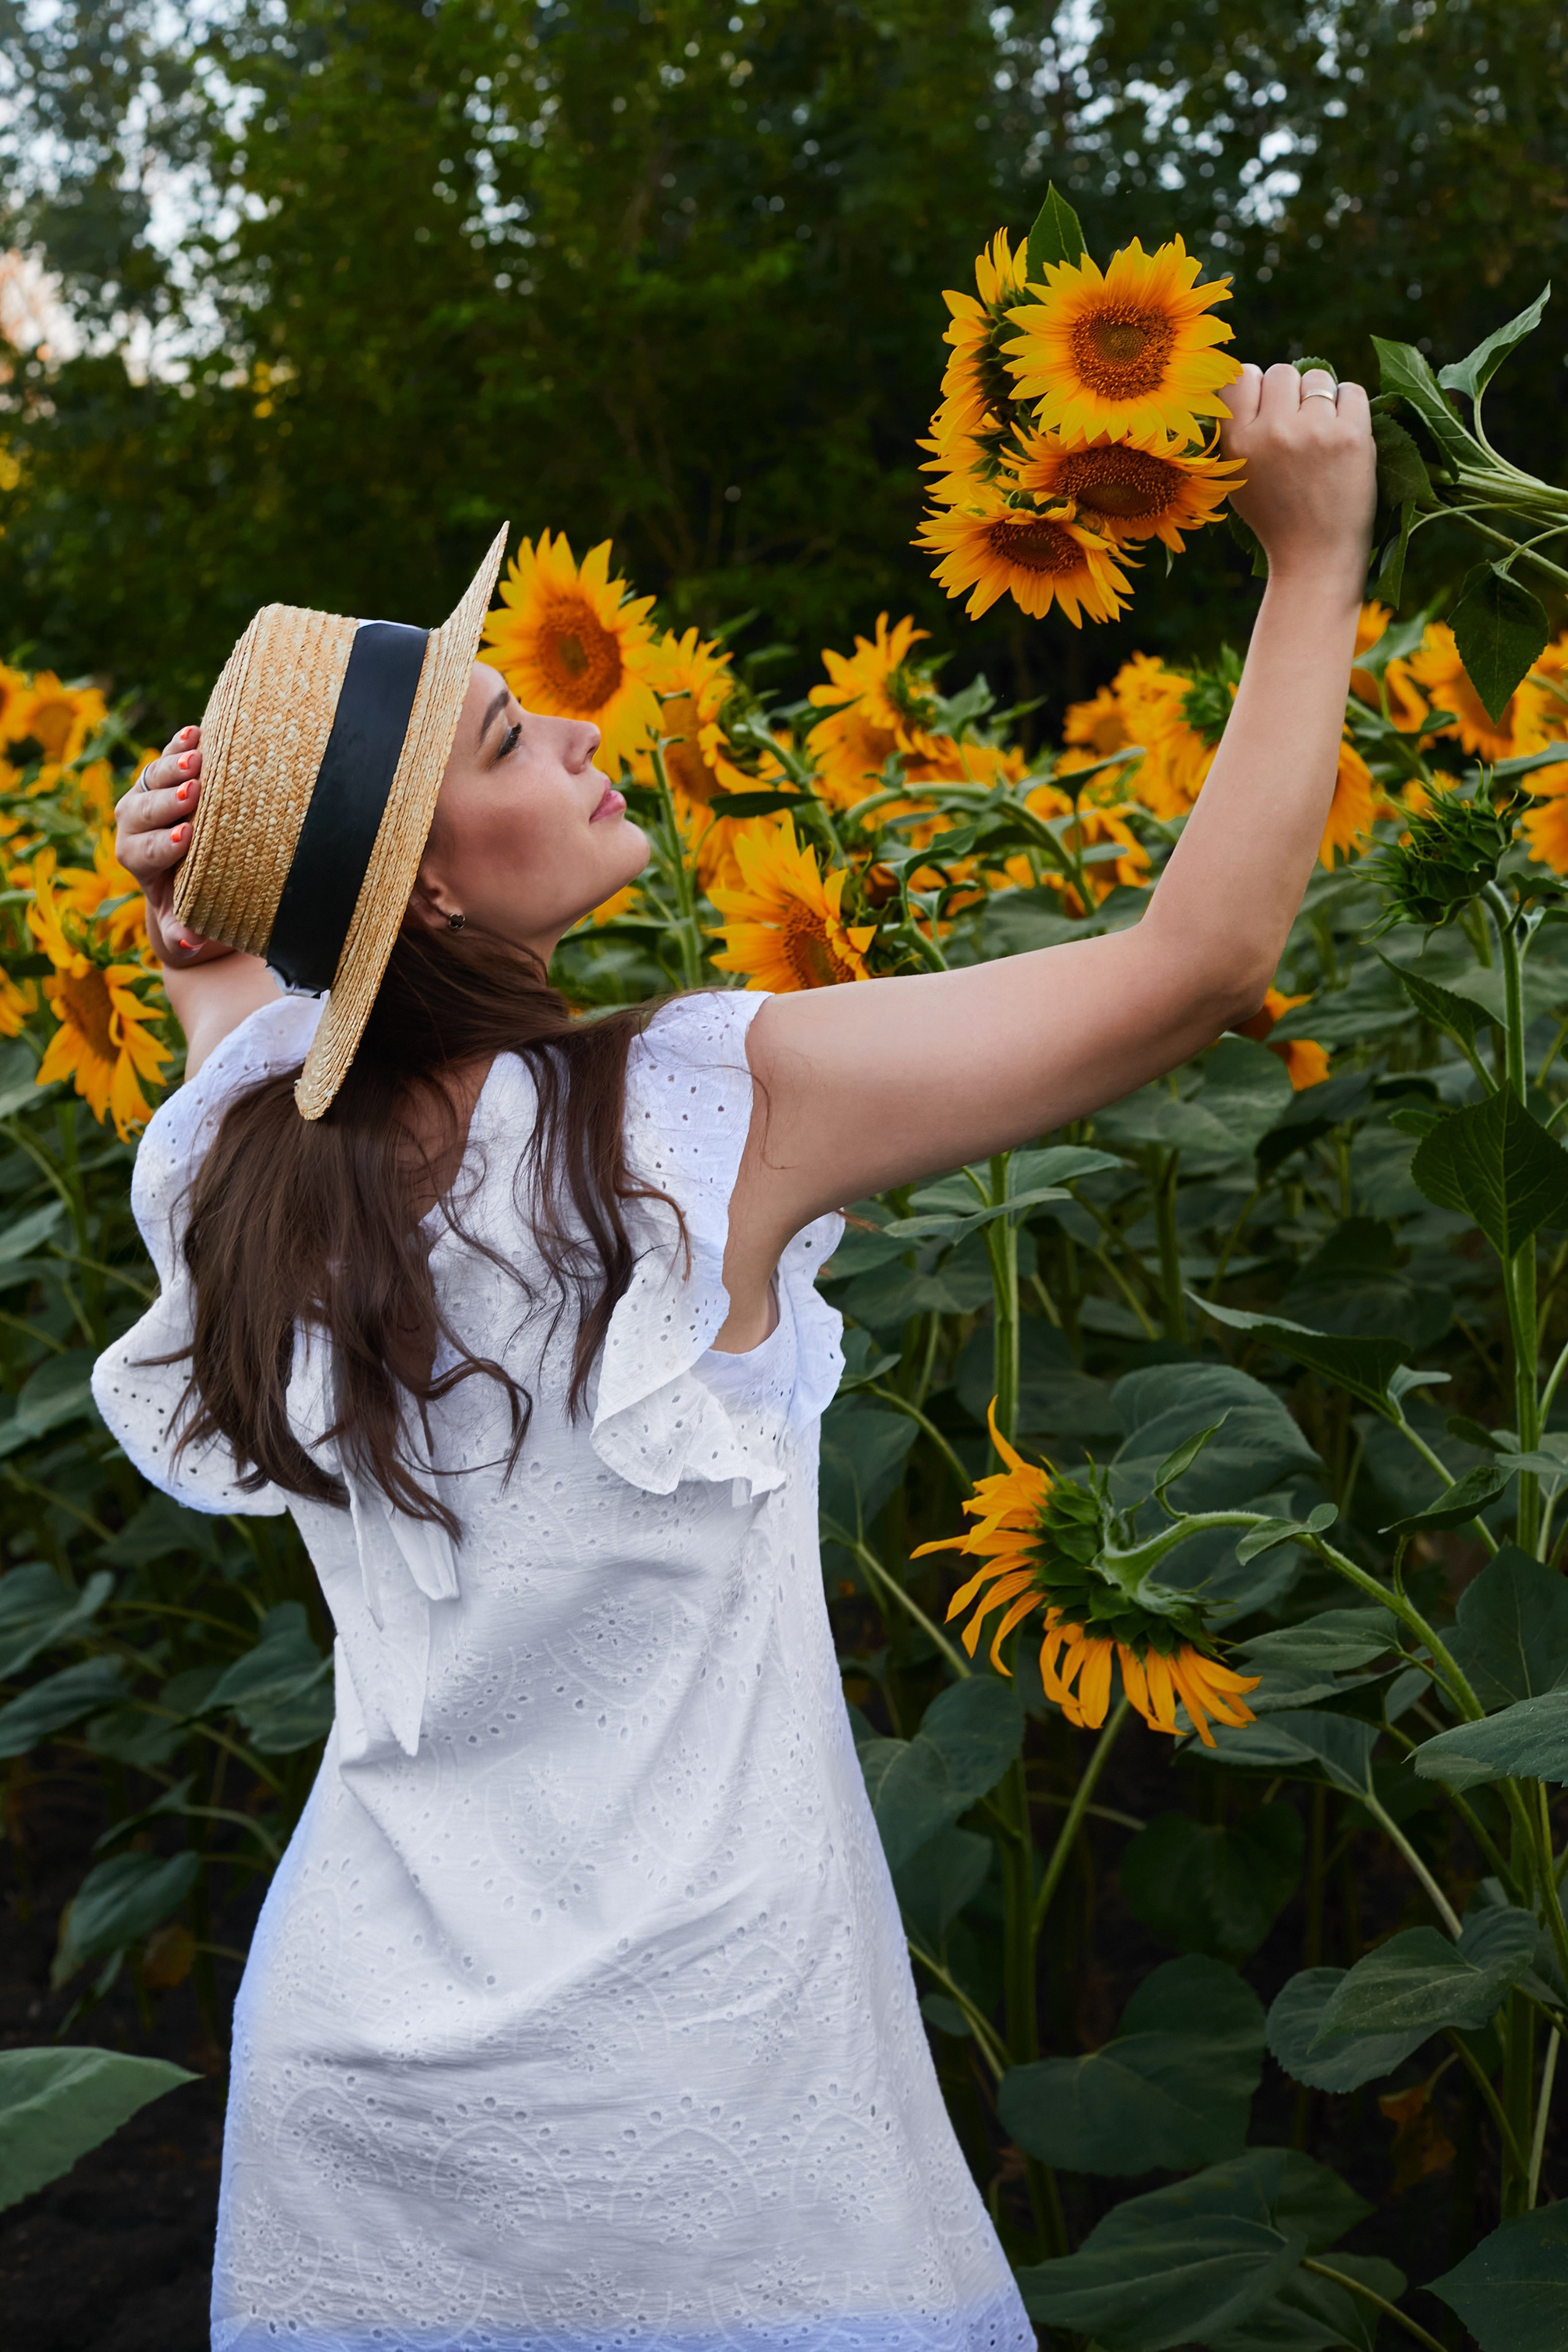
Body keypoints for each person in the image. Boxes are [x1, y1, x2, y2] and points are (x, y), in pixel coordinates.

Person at [101, 362, 1374, 2352]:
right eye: (517, 737)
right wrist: (1312, 555)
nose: (587, 727)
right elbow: (1198, 965)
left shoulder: (246, 1183)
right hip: (706, 2089)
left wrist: (210, 941)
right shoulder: (686, 1122)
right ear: (427, 887)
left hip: (369, 2079)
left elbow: (251, 1027)